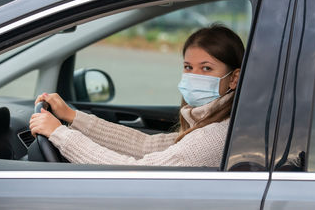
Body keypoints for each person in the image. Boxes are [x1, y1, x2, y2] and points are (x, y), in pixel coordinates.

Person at [29, 25, 244, 167]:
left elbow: (136, 173)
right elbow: (145, 146)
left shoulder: (213, 137)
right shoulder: (211, 123)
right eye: (188, 67)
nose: (194, 76)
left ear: (234, 78)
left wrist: (59, 134)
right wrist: (73, 117)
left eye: (206, 69)